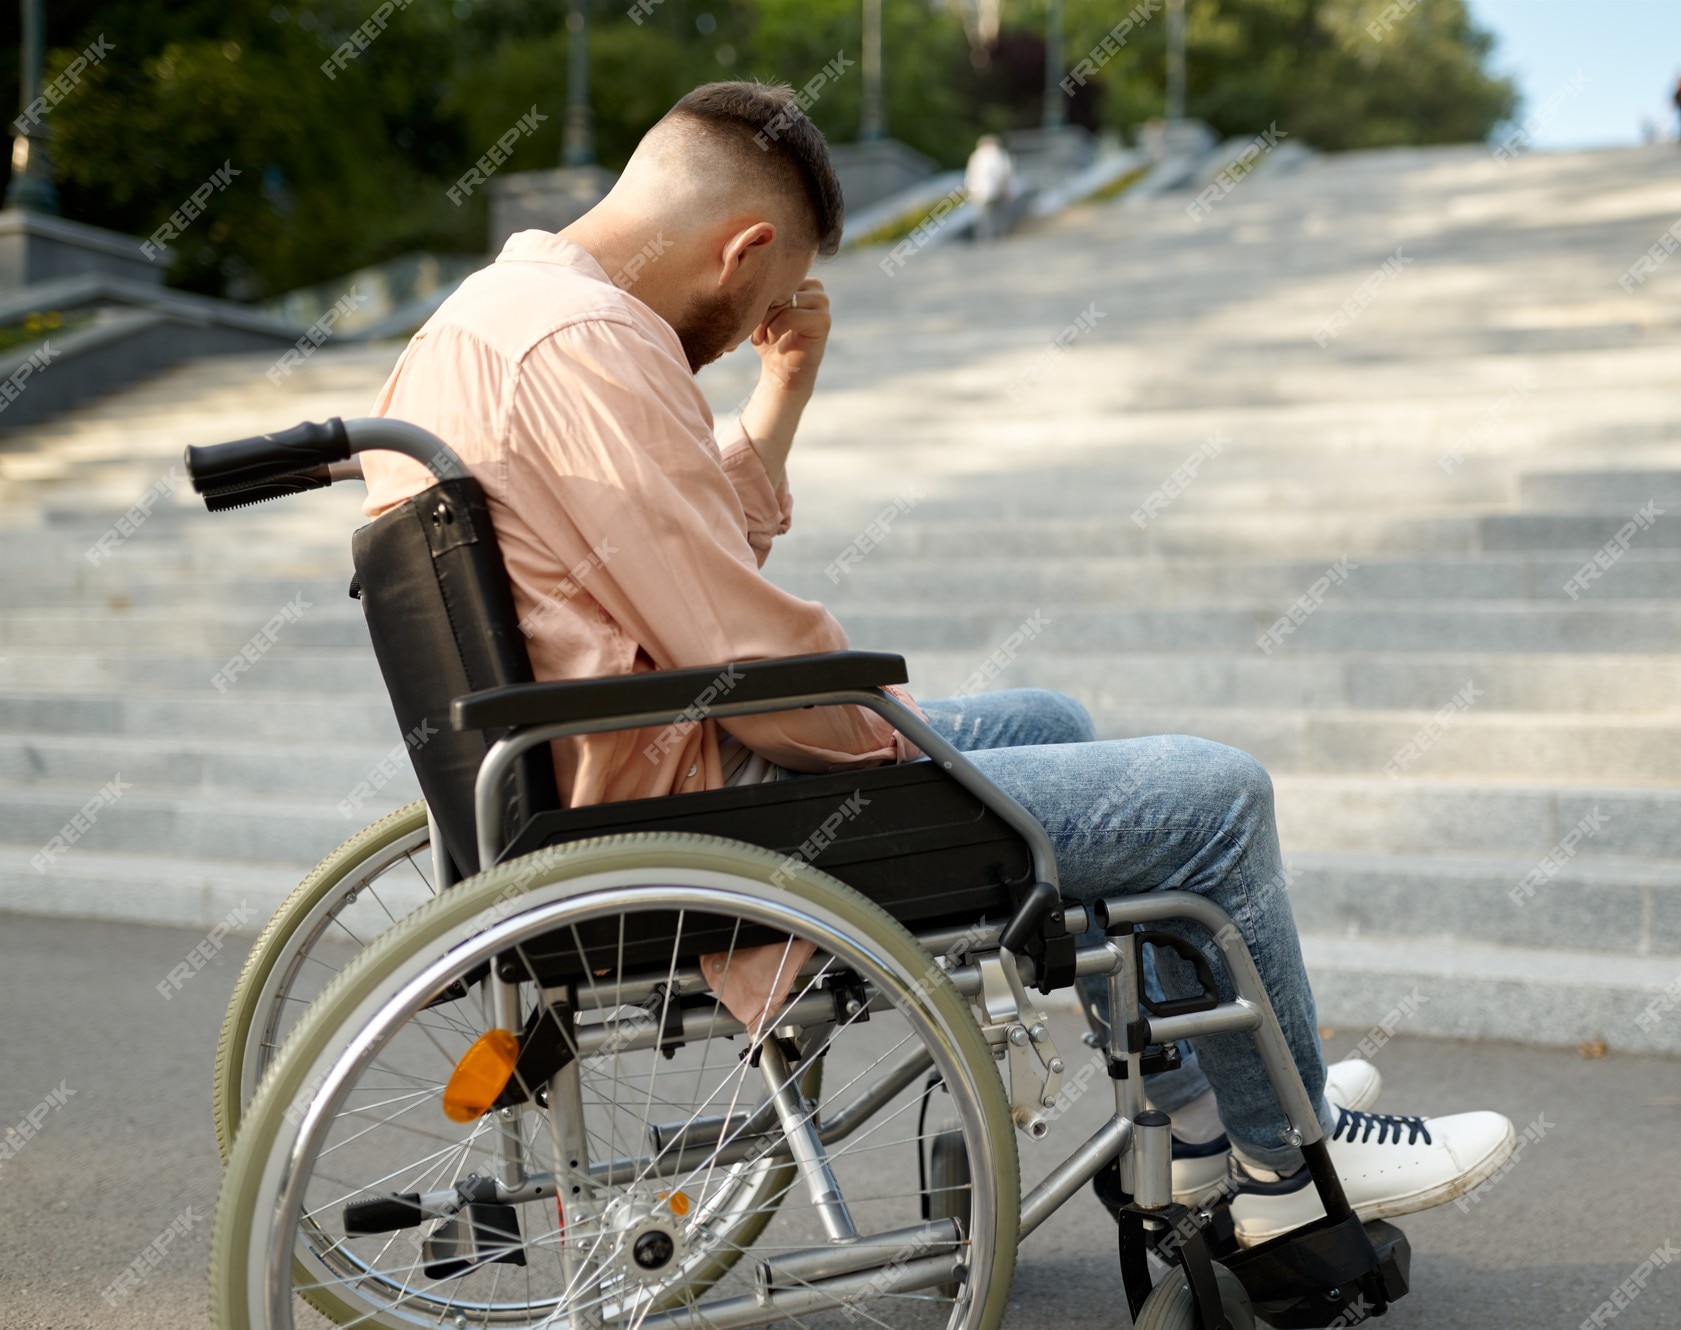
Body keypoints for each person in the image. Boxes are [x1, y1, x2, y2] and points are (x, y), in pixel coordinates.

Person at [359, 80, 1514, 1247]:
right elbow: (733, 649)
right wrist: (897, 743)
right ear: (746, 245)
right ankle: (1290, 1159)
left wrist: (783, 390)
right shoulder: (595, 343)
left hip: (582, 780)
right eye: (769, 289)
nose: (761, 314)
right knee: (1214, 798)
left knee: (1049, 716)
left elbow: (661, 565)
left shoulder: (487, 319)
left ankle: (1204, 1113)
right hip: (696, 811)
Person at [963, 132, 1016, 241]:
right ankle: (991, 237)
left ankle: (990, 237)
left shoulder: (980, 156)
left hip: (990, 191)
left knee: (989, 215)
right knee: (989, 216)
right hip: (988, 191)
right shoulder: (995, 155)